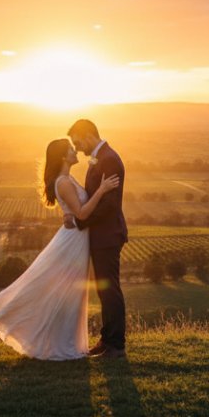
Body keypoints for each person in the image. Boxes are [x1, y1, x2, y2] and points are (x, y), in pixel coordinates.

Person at [0, 138, 120, 360]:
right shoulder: (63, 182)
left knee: (69, 292)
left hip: (76, 238)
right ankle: (56, 342)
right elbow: (83, 214)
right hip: (73, 241)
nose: (75, 151)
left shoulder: (66, 179)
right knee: (64, 291)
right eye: (70, 149)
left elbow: (73, 210)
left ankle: (64, 341)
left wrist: (69, 213)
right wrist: (102, 189)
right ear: (63, 157)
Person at [65, 119, 128, 358]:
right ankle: (107, 339)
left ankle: (116, 345)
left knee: (110, 289)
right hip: (101, 235)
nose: (77, 147)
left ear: (88, 135)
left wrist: (81, 221)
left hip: (108, 235)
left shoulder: (109, 159)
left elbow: (109, 205)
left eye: (77, 141)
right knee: (105, 290)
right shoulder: (100, 157)